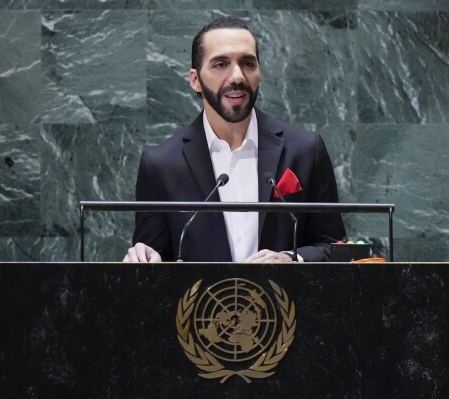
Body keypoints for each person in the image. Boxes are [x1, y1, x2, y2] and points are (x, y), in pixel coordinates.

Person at [124, 16, 346, 263]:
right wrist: (146, 257)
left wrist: (291, 259)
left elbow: (335, 247)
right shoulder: (160, 165)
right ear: (195, 80)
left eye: (248, 63)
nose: (238, 76)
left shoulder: (306, 150)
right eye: (221, 64)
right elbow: (153, 263)